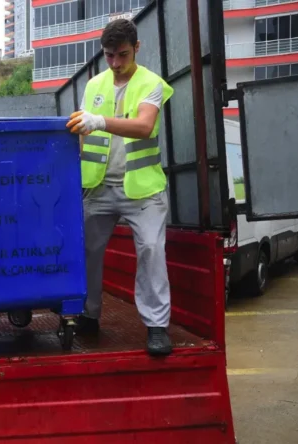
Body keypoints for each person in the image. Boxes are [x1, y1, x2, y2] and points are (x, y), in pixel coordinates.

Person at [65, 18, 175, 356]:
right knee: (85, 252)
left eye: (122, 55)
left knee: (152, 251)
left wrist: (99, 121)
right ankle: (88, 314)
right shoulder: (95, 84)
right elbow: (83, 136)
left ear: (137, 48)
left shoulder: (151, 83)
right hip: (99, 187)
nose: (115, 63)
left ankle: (157, 327)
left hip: (141, 190)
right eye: (109, 55)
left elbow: (144, 126)